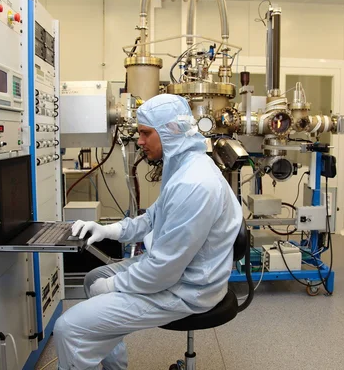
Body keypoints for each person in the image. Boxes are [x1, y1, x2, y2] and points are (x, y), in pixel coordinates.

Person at [53, 94, 243, 370]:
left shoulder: (195, 183)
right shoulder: (183, 165)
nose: (139, 141)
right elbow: (153, 217)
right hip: (174, 270)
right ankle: (113, 365)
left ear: (169, 132)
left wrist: (114, 286)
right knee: (93, 278)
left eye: (145, 133)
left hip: (188, 289)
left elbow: (164, 269)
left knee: (69, 328)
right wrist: (108, 230)